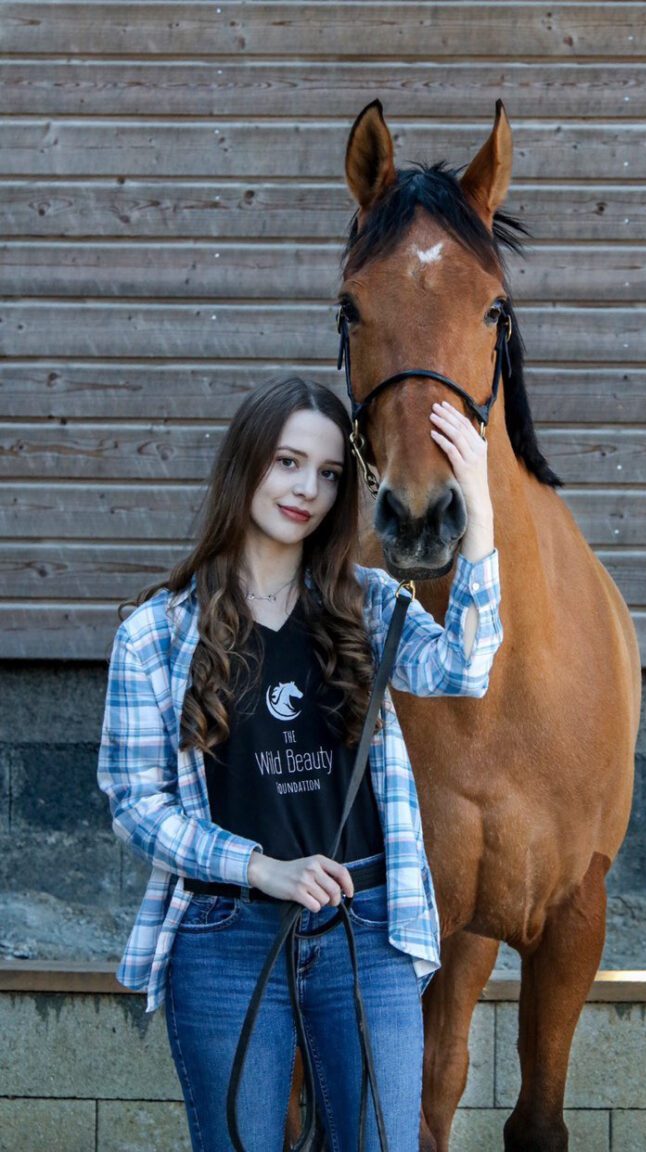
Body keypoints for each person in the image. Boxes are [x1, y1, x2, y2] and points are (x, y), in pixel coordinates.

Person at [97, 377, 503, 1151]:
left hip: (369, 931)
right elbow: (135, 803)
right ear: (246, 464)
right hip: (226, 935)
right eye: (288, 462)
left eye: (326, 475)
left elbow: (465, 667)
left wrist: (477, 509)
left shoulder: (369, 604)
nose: (306, 490)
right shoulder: (155, 635)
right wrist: (260, 868)